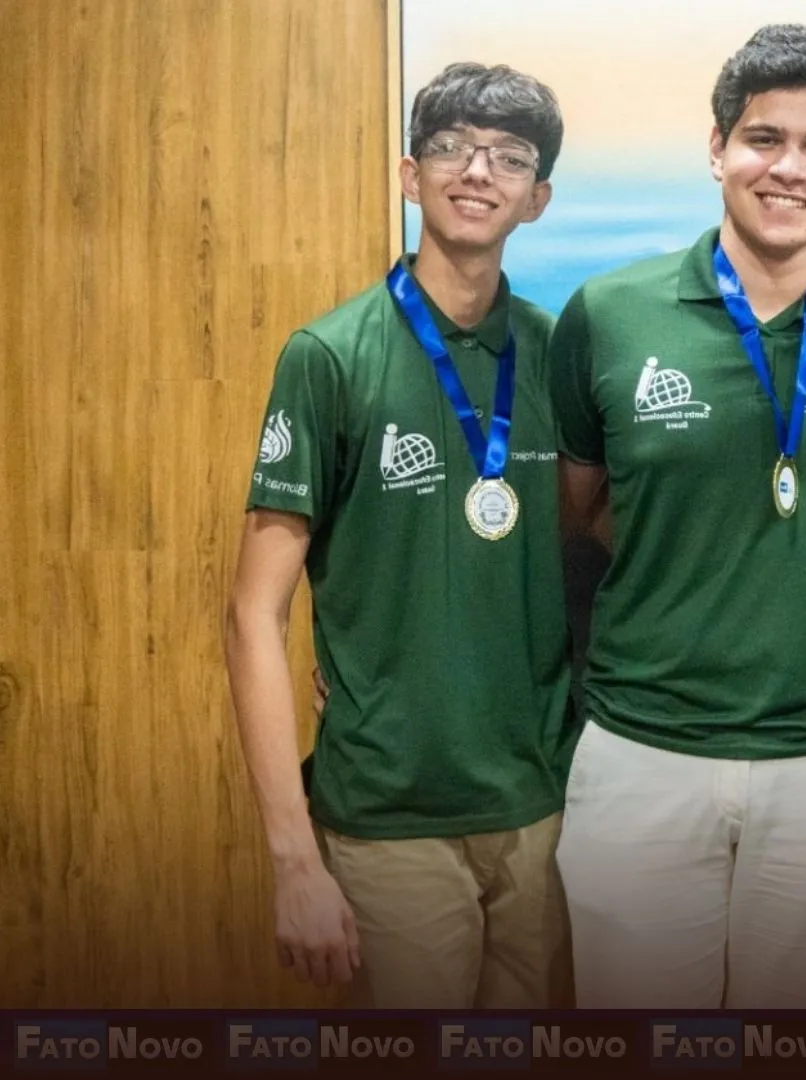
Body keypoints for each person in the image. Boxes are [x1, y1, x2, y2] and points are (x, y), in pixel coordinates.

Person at [547, 24, 806, 1008]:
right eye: (763, 138)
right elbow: (583, 503)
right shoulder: (609, 313)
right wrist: (707, 554)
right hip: (641, 751)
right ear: (716, 149)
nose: (790, 168)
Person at [224, 62, 574, 1007]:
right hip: (388, 813)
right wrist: (294, 859)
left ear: (536, 199)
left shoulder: (562, 356)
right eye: (452, 148)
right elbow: (253, 616)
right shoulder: (329, 356)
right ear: (410, 175)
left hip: (543, 806)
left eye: (508, 157)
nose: (477, 171)